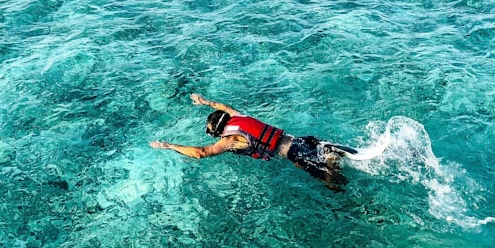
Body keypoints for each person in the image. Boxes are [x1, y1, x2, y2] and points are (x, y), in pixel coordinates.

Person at [150, 93, 357, 190]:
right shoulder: (237, 117)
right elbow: (225, 107)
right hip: (300, 140)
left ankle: (348, 190)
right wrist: (206, 102)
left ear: (220, 130)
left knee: (334, 184)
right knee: (319, 155)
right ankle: (329, 153)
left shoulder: (231, 139)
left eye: (214, 134)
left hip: (295, 153)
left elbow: (201, 153)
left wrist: (170, 146)